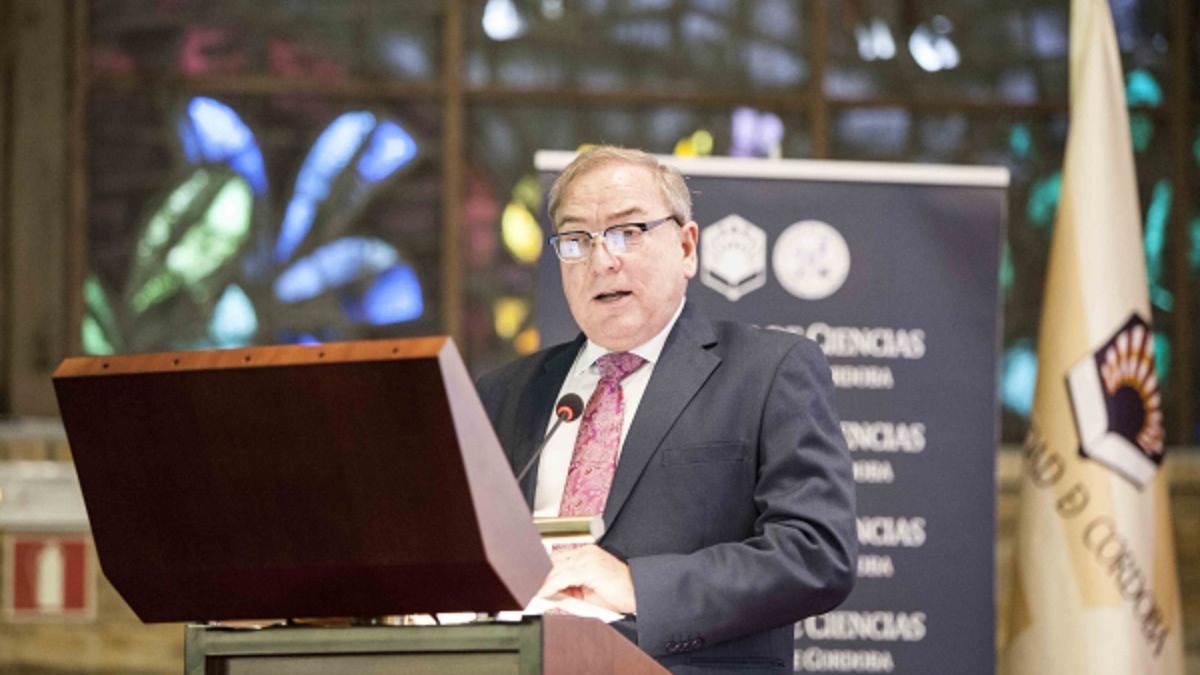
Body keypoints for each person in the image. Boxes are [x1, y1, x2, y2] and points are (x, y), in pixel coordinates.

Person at [476, 146, 856, 673]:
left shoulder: (768, 372)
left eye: (627, 232)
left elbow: (816, 554)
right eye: (576, 239)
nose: (601, 260)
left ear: (686, 246)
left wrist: (638, 586)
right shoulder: (505, 393)